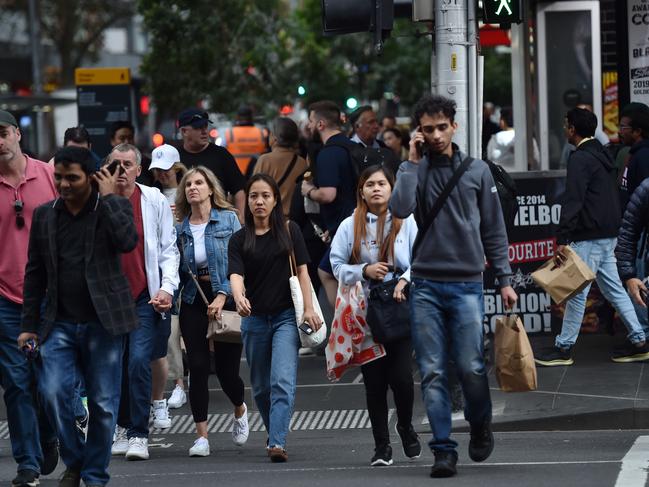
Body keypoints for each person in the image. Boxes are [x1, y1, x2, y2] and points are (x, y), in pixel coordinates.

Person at [390, 95, 517, 478]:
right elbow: (398, 208)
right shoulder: (414, 169)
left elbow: (494, 228)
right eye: (428, 129)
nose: (436, 135)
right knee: (431, 370)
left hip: (466, 284)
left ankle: (480, 424)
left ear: (454, 126)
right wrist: (411, 163)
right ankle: (443, 449)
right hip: (426, 284)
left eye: (441, 127)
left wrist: (506, 279)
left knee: (471, 367)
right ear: (419, 132)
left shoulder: (477, 170)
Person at [19, 146, 139, 487]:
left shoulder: (111, 207)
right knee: (53, 392)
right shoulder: (45, 215)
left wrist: (109, 197)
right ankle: (75, 461)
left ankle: (94, 475)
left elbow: (127, 242)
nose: (63, 184)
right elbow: (35, 273)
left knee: (103, 404)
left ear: (91, 177)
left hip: (105, 325)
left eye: (72, 177)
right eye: (58, 176)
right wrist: (28, 326)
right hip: (58, 324)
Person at [534, 108, 647, 366]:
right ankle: (639, 340)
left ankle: (563, 349)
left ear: (573, 129)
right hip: (608, 233)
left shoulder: (580, 158)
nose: (564, 129)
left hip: (589, 235)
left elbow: (574, 199)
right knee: (614, 289)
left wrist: (562, 236)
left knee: (576, 291)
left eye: (566, 125)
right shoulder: (603, 154)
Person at [330, 165, 420, 466]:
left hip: (399, 307)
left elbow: (421, 260)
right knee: (375, 382)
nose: (376, 189)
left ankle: (406, 426)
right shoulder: (348, 225)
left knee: (403, 380)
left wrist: (405, 280)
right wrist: (363, 270)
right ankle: (382, 446)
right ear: (361, 190)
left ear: (392, 188)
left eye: (382, 183)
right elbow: (336, 265)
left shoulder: (406, 221)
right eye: (370, 184)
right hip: (365, 314)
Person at [228, 173, 322, 462]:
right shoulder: (239, 238)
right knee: (260, 386)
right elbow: (235, 274)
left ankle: (277, 442)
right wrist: (239, 296)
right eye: (254, 196)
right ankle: (274, 433)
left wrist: (308, 308)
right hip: (254, 319)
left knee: (282, 380)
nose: (259, 201)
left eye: (265, 196)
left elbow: (304, 271)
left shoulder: (290, 231)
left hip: (284, 318)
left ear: (275, 200)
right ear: (247, 200)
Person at [108, 143, 179, 461]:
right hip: (106, 300)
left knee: (138, 361)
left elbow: (168, 249)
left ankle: (138, 433)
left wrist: (167, 288)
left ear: (139, 170)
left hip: (143, 297)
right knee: (114, 365)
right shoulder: (99, 202)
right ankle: (121, 426)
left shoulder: (154, 200)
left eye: (127, 164)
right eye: (115, 164)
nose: (120, 170)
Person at [0, 109, 59, 487]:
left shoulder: (49, 176)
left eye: (3, 132)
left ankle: (50, 434)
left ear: (17, 134)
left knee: (50, 381)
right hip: (5, 300)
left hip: (51, 298)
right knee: (17, 384)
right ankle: (28, 465)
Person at [175, 166, 248, 456]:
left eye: (199, 182)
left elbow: (240, 262)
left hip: (227, 299)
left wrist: (224, 294)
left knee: (228, 372)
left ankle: (240, 409)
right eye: (188, 184)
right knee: (199, 366)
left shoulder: (229, 219)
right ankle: (202, 436)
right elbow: (178, 270)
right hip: (195, 300)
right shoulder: (180, 228)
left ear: (210, 188)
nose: (193, 187)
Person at [300, 101, 357, 307]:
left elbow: (328, 194)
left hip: (344, 228)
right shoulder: (353, 147)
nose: (309, 126)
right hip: (355, 223)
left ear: (321, 124)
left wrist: (309, 191)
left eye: (311, 122)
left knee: (325, 272)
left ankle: (343, 319)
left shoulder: (328, 154)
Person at [149, 144, 189, 409]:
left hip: (192, 269)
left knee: (195, 332)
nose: (162, 175)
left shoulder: (190, 190)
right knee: (171, 330)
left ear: (177, 168)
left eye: (166, 170)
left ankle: (189, 378)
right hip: (167, 271)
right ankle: (179, 384)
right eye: (157, 171)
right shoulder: (151, 196)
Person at [176, 108, 246, 220]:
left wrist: (241, 220)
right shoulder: (175, 157)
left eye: (205, 126)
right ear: (184, 131)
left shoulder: (221, 155)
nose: (204, 131)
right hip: (185, 224)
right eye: (198, 128)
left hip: (220, 225)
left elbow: (239, 190)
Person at [253, 117, 308, 217]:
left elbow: (254, 192)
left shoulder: (265, 160)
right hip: (294, 222)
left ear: (274, 138)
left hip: (270, 220)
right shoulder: (302, 162)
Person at [224, 105, 268, 176]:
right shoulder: (262, 132)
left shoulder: (229, 133)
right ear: (252, 117)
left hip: (235, 174)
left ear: (237, 117)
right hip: (256, 174)